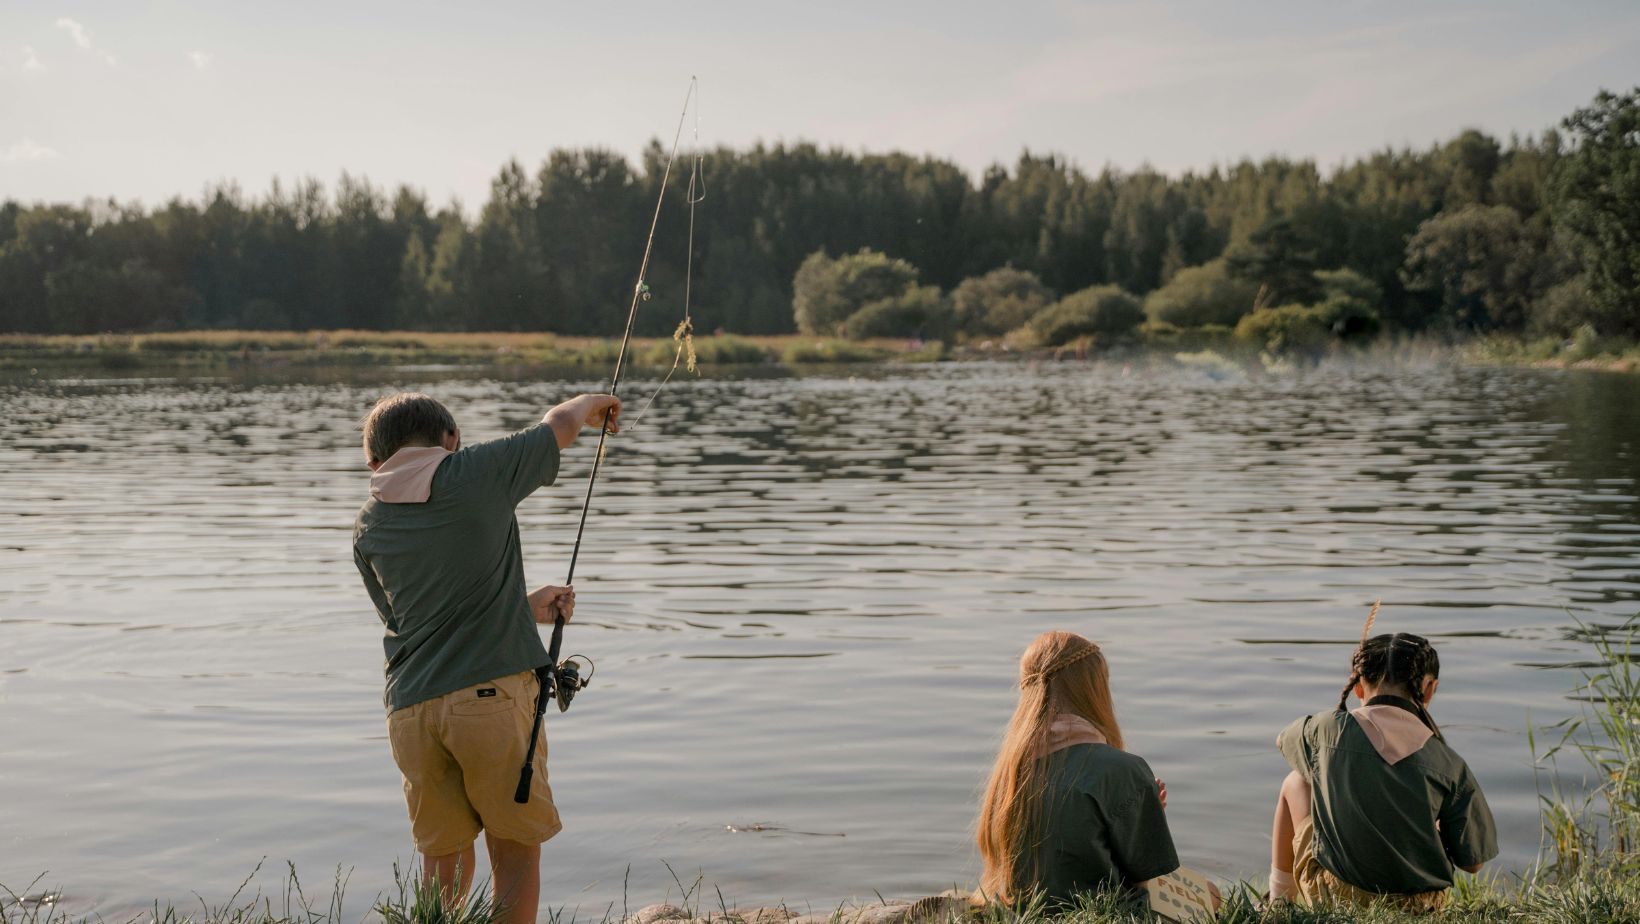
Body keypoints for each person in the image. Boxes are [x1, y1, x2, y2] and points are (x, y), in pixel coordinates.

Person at [353, 390, 621, 924]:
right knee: (514, 849)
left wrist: (520, 610)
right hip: (491, 704)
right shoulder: (472, 470)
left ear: (374, 462)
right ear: (450, 439)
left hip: (411, 714)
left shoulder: (368, 524)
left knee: (442, 861)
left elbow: (419, 626)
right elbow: (558, 427)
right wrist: (590, 402)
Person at [1269, 632, 1498, 912]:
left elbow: (1283, 741)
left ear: (1358, 687)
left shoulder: (1327, 728)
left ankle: (1278, 903)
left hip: (1339, 895)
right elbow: (1472, 863)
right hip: (1422, 904)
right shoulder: (1447, 761)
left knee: (1296, 782)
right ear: (1429, 689)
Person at [976, 631, 1179, 908]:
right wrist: (1145, 814)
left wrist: (1138, 811)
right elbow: (1147, 876)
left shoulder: (1009, 772)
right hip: (1108, 911)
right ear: (1094, 690)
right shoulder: (1123, 770)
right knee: (1211, 894)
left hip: (1022, 911)